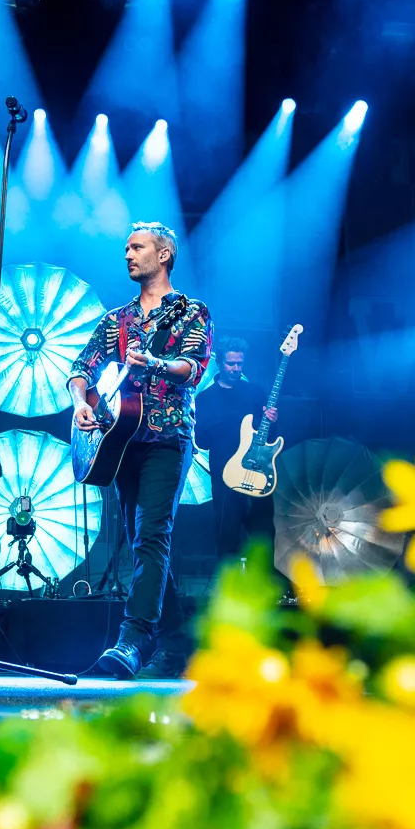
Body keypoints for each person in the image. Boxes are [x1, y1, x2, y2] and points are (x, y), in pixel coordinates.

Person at [68, 221, 212, 679]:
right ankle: (177, 645)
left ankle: (132, 639)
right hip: (121, 439)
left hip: (168, 437)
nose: (128, 255)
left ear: (163, 255)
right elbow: (81, 368)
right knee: (140, 541)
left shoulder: (190, 312)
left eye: (137, 247)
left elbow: (192, 367)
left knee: (152, 534)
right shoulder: (117, 319)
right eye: (126, 248)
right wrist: (80, 402)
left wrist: (154, 362)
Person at [193, 337, 278, 563]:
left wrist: (272, 421)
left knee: (263, 534)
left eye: (240, 363)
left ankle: (263, 580)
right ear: (220, 363)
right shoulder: (205, 398)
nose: (236, 368)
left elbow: (269, 438)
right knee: (227, 534)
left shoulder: (255, 392)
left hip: (257, 471)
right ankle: (228, 581)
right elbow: (202, 442)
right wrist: (210, 424)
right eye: (231, 363)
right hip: (225, 475)